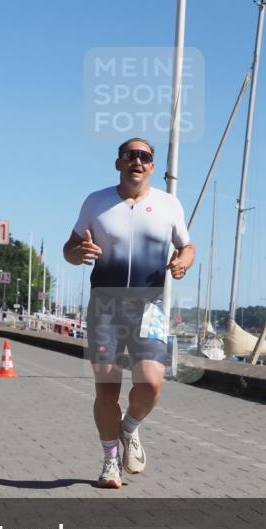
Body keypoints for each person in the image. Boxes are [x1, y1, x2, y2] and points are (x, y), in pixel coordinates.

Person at [63, 138, 195, 488]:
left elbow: (187, 246)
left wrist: (182, 261)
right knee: (107, 389)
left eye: (145, 157)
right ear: (118, 162)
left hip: (148, 305)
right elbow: (69, 247)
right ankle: (109, 462)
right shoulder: (97, 202)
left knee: (151, 383)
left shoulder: (169, 205)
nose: (137, 161)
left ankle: (130, 428)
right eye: (130, 155)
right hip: (104, 304)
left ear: (152, 166)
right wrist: (78, 253)